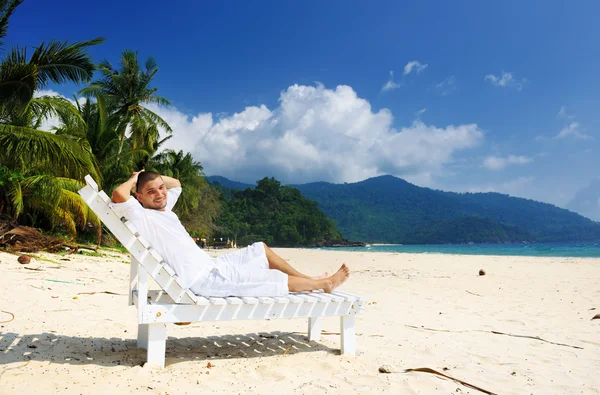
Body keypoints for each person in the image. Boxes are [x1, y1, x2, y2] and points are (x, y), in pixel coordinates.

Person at [110, 170, 350, 297]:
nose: (160, 193)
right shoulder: (142, 215)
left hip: (213, 266)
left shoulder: (164, 209)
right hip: (204, 279)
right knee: (270, 280)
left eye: (161, 188)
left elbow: (178, 184)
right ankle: (324, 283)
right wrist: (134, 180)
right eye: (151, 191)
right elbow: (118, 195)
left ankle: (309, 279)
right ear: (139, 197)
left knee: (260, 249)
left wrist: (152, 177)